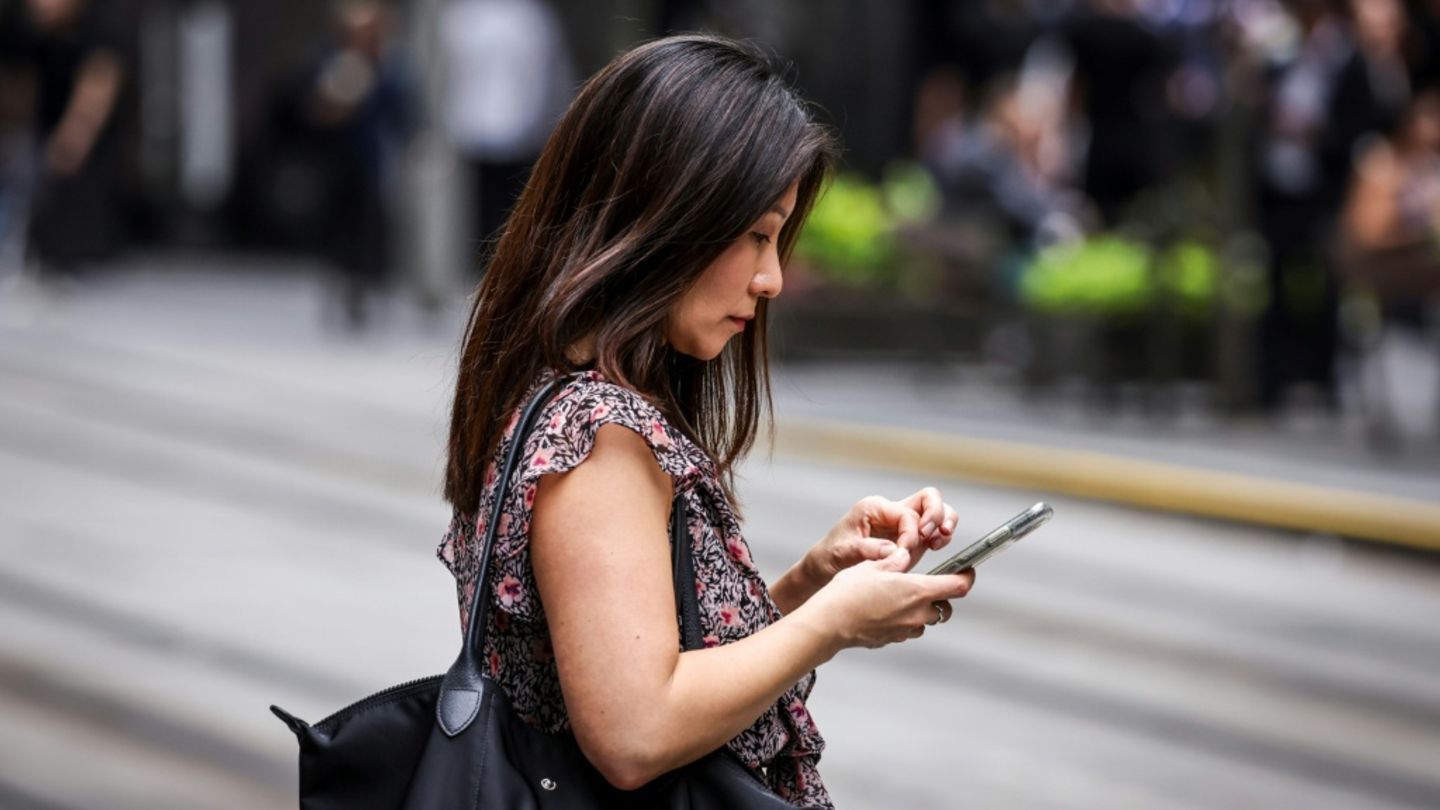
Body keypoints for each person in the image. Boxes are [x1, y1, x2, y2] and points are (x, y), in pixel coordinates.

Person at [436, 35, 976, 807]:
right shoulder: (598, 438)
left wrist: (811, 583)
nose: (772, 279)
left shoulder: (573, 399)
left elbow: (656, 658)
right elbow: (635, 732)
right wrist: (832, 623)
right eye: (756, 234)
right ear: (665, 213)